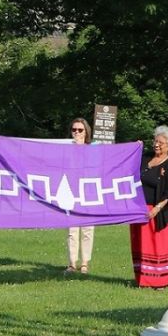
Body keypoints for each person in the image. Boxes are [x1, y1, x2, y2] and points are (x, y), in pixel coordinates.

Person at [129, 125, 168, 288]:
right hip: (139, 210)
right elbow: (128, 164)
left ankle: (161, 280)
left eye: (161, 142)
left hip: (159, 212)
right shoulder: (145, 158)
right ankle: (143, 279)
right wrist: (135, 148)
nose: (156, 144)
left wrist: (156, 209)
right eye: (155, 141)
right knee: (141, 245)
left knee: (158, 246)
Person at [65, 118, 96, 275]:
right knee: (72, 230)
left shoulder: (93, 150)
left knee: (87, 229)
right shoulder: (66, 150)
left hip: (89, 194)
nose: (76, 132)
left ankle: (84, 263)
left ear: (86, 132)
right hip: (71, 193)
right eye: (74, 130)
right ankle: (71, 263)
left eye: (80, 130)